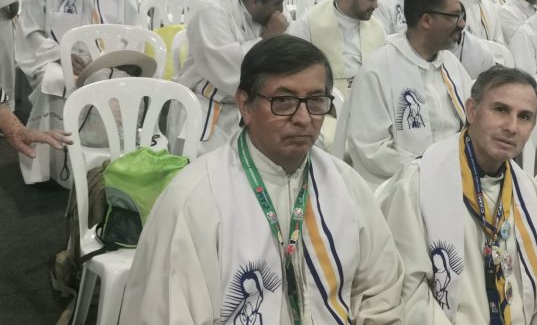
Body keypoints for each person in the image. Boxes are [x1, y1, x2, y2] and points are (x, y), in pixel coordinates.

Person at [120, 36, 405, 324]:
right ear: (245, 105)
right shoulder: (195, 199)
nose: (304, 119)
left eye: (316, 101)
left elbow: (380, 290)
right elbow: (168, 312)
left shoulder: (345, 185)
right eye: (283, 101)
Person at [378, 68, 537, 324]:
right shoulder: (417, 183)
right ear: (471, 111)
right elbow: (410, 295)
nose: (511, 127)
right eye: (500, 110)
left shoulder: (529, 192)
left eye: (524, 117)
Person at [15, 0, 138, 184]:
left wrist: (119, 55)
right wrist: (60, 53)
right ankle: (53, 163)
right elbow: (30, 32)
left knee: (120, 83)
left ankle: (108, 159)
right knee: (57, 82)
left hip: (105, 58)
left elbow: (135, 29)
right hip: (56, 57)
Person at [338, 0, 472, 188]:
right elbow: (370, 149)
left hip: (456, 177)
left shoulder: (451, 64)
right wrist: (431, 169)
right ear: (426, 20)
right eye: (454, 16)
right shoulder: (378, 69)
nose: (462, 24)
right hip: (401, 189)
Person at [173, 0, 289, 153]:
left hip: (240, 109)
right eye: (277, 3)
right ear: (255, 2)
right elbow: (231, 69)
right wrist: (269, 38)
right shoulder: (211, 12)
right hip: (202, 107)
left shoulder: (262, 18)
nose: (281, 11)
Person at [287, 0, 384, 97]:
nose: (376, 5)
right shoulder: (309, 23)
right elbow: (293, 69)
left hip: (367, 98)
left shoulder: (377, 27)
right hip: (324, 100)